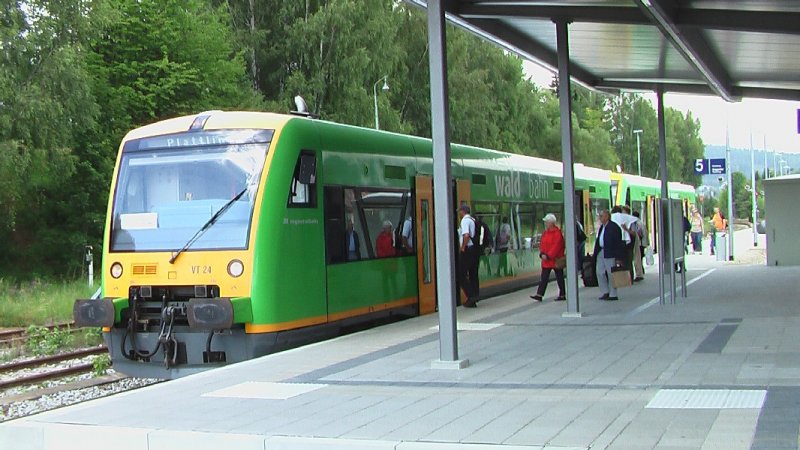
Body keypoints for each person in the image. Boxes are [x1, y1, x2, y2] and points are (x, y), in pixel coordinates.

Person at [531, 214, 566, 302]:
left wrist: (548, 256)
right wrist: (542, 254)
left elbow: (557, 246)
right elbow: (542, 244)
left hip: (556, 260)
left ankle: (562, 294)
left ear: (551, 223)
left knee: (559, 277)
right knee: (544, 278)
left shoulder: (557, 233)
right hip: (546, 260)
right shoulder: (545, 233)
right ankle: (539, 294)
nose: (545, 223)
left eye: (546, 222)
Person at [593, 209, 624, 301]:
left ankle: (613, 294)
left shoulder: (614, 227)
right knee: (599, 272)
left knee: (611, 274)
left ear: (607, 216)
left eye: (601, 216)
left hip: (610, 253)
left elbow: (618, 243)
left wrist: (618, 257)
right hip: (601, 251)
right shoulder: (602, 227)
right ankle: (605, 291)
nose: (600, 218)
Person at [457, 204, 479, 307]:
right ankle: (474, 296)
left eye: (459, 211)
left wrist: (462, 247)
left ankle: (471, 296)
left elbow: (466, 235)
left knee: (461, 275)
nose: (459, 214)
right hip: (474, 250)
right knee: (472, 274)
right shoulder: (472, 220)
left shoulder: (465, 221)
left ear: (463, 211)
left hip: (467, 250)